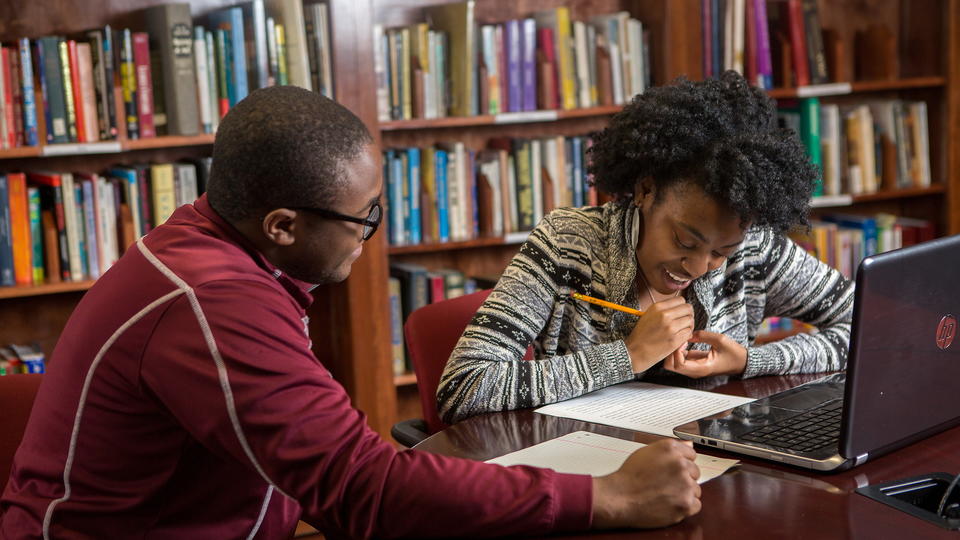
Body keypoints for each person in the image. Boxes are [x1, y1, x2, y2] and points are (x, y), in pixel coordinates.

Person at [0, 86, 702, 538]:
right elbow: (361, 491)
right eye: (362, 219)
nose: (371, 237)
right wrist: (603, 499)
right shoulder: (214, 302)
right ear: (281, 225)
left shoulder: (210, 246)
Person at [437, 71, 854, 425]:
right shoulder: (567, 243)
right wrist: (628, 356)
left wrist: (749, 361)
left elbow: (870, 328)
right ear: (645, 189)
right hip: (590, 475)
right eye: (684, 241)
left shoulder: (755, 249)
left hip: (714, 466)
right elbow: (465, 385)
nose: (697, 266)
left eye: (720, 252)